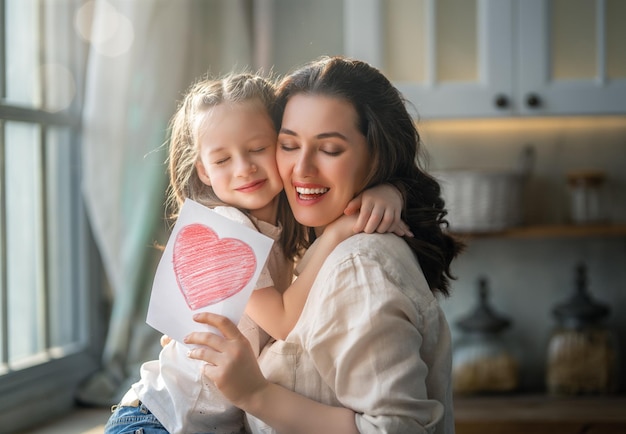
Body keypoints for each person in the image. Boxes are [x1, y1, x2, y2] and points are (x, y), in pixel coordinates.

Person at [104, 72, 408, 434]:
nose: (243, 168)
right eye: (222, 160)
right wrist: (342, 230)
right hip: (158, 420)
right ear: (203, 170)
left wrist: (391, 191)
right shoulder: (229, 226)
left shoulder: (283, 222)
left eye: (257, 149)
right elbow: (282, 321)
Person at [184, 56, 465, 434]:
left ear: (378, 154)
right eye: (287, 145)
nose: (301, 169)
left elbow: (397, 429)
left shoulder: (358, 267)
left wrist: (256, 395)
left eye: (330, 149)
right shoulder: (306, 249)